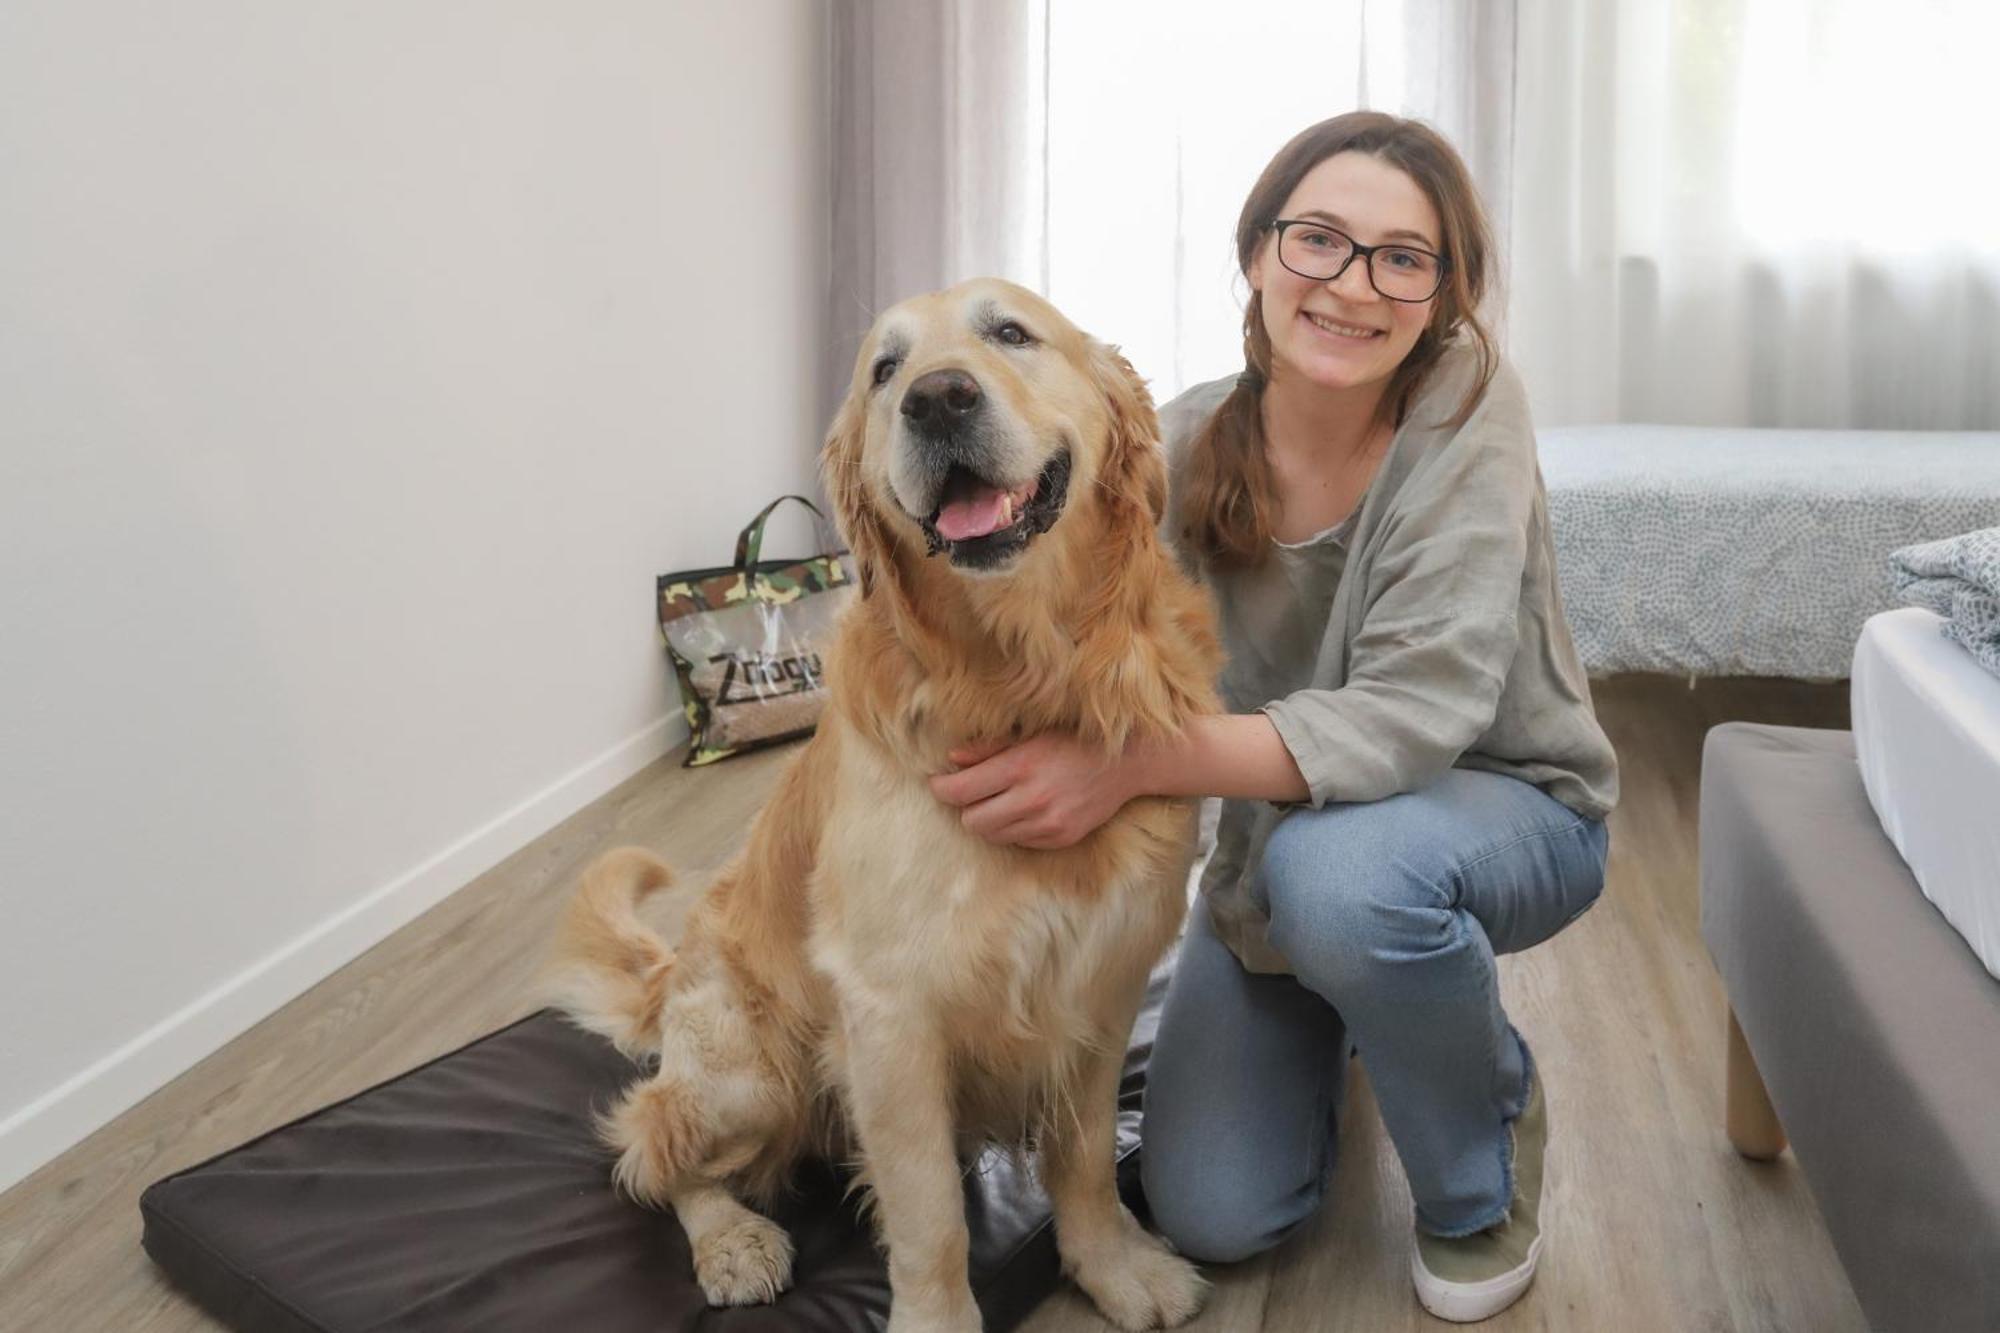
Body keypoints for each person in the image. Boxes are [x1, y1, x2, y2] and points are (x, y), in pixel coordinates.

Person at [928, 111, 1618, 1323]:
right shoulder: (1186, 437)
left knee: (1343, 881)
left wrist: (1126, 764)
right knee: (1209, 1210)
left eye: (1403, 258)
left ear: (1442, 294)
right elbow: (1071, 623)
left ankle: (1480, 1171)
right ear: (1257, 253)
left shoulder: (1468, 408)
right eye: (1319, 241)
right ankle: (1369, 998)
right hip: (1276, 855)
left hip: (1506, 805)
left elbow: (1413, 712)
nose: (1355, 286)